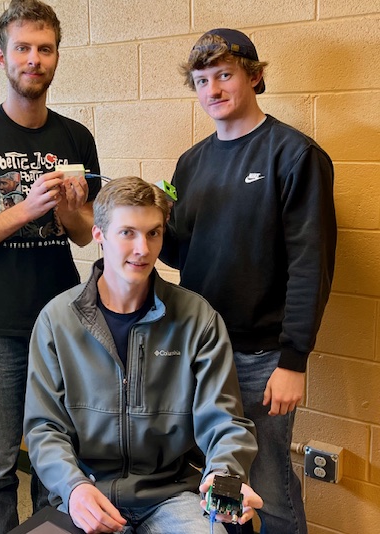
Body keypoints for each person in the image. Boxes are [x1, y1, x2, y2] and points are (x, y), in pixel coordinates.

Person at [160, 28, 337, 534]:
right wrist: (144, 230)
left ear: (254, 78)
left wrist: (293, 360)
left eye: (224, 75)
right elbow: (179, 252)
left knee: (270, 481)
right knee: (221, 480)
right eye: (200, 80)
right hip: (200, 350)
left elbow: (312, 264)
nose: (212, 90)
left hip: (263, 358)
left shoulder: (295, 155)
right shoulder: (191, 163)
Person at [0, 0, 100, 531]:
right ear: (2, 56)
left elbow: (83, 235)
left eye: (44, 48)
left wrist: (74, 210)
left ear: (56, 57)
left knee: (58, 457)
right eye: (23, 47)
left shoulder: (76, 138)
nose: (34, 58)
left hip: (61, 324)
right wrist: (26, 209)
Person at [24, 176, 263, 534]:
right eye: (128, 233)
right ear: (99, 235)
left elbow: (224, 420)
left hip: (171, 494)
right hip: (88, 493)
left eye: (153, 233)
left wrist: (224, 480)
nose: (143, 248)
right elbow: (45, 428)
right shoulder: (57, 320)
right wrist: (74, 489)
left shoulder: (197, 318)